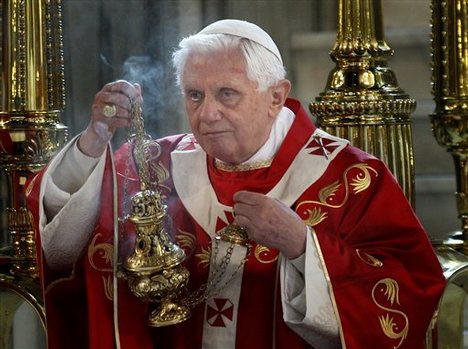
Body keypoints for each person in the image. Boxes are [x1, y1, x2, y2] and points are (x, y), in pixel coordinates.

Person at [25, 19, 445, 349]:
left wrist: (303, 246)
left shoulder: (350, 178)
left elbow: (409, 292)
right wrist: (94, 140)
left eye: (227, 94)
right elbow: (63, 246)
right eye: (194, 95)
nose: (207, 114)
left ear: (276, 97)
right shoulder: (153, 166)